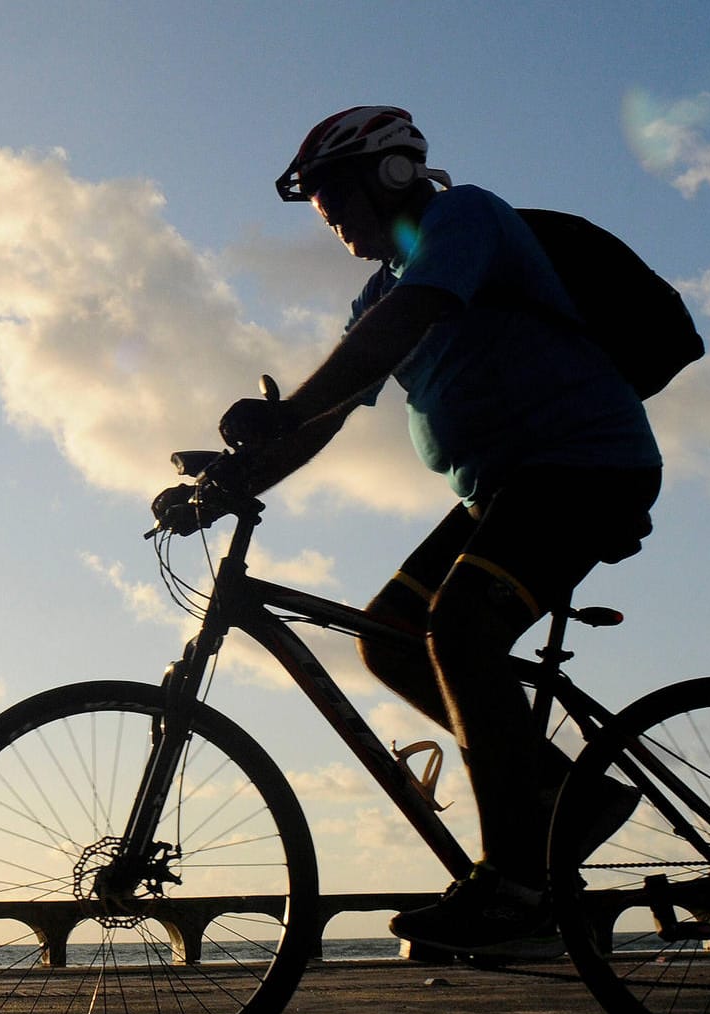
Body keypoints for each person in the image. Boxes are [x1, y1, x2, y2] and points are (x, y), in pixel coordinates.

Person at [204, 106, 658, 956]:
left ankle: (518, 887)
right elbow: (328, 417)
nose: (327, 217)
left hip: (583, 466)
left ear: (391, 173)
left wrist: (286, 409)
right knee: (387, 639)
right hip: (507, 491)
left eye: (333, 193)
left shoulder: (462, 221)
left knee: (458, 630)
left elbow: (402, 328)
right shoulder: (380, 291)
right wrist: (230, 483)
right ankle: (571, 799)